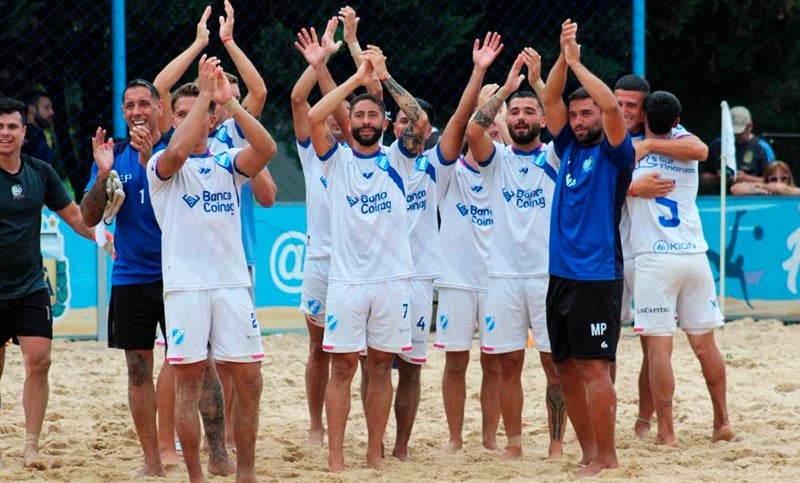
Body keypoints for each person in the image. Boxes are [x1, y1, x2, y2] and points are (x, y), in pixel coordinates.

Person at [146, 56, 277, 483]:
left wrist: (230, 104)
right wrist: (203, 97)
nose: (190, 118)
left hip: (231, 284)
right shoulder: (162, 164)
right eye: (181, 113)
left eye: (198, 111)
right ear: (173, 120)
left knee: (249, 379)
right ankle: (196, 476)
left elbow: (267, 151)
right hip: (186, 288)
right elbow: (178, 150)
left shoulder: (227, 161)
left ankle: (246, 472)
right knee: (189, 382)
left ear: (213, 118)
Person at [305, 49, 427, 472]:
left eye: (374, 115)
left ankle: (375, 452)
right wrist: (356, 81)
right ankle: (336, 456)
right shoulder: (335, 160)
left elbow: (421, 122)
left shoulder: (399, 159)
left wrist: (385, 78)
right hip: (347, 282)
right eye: (359, 115)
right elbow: (314, 116)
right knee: (342, 368)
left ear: (385, 123)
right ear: (349, 122)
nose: (367, 121)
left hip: (393, 281)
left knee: (380, 368)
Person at [538, 19, 635, 477]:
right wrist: (563, 57)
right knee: (564, 368)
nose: (579, 121)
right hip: (560, 273)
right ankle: (589, 451)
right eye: (575, 115)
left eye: (586, 114)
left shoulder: (616, 153)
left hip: (597, 275)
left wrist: (578, 64)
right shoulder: (569, 146)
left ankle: (608, 456)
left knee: (595, 370)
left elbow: (612, 105)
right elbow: (550, 99)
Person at [466, 47, 565, 460]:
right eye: (515, 112)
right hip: (502, 277)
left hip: (546, 276)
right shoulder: (497, 160)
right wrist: (505, 90)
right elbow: (473, 132)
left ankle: (556, 444)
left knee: (554, 365)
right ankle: (514, 443)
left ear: (541, 120)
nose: (521, 118)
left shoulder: (555, 156)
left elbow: (562, 120)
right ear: (506, 120)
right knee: (507, 366)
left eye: (530, 112)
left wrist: (539, 84)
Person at [80, 78, 177, 476]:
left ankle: (215, 454)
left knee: (195, 365)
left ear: (159, 108)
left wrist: (151, 160)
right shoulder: (112, 155)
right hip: (131, 277)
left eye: (144, 103)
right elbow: (89, 217)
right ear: (122, 111)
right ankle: (152, 460)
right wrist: (103, 175)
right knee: (138, 369)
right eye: (129, 105)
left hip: (178, 275)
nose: (137, 111)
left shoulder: (176, 150)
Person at [628, 90, 734, 446]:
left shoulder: (633, 150)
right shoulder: (683, 145)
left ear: (643, 117)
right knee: (705, 345)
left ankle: (667, 432)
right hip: (693, 255)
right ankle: (722, 422)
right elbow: (701, 150)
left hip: (654, 258)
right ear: (676, 121)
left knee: (659, 349)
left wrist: (645, 149)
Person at [613, 73, 710, 437]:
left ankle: (644, 420)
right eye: (618, 103)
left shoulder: (667, 136)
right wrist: (632, 188)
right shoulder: (609, 134)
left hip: (646, 254)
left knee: (651, 344)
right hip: (615, 251)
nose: (623, 111)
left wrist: (650, 145)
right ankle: (605, 418)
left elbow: (701, 150)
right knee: (606, 344)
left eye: (631, 105)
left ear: (645, 111)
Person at [0, 97, 94, 470]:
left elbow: (75, 216)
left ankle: (31, 446)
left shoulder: (40, 172)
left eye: (12, 126)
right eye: (0, 126)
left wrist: (106, 238)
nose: (5, 133)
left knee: (40, 361)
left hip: (30, 286)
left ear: (24, 132)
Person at [431, 34, 503, 454]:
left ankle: (489, 438)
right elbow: (460, 123)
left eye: (494, 131)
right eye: (484, 129)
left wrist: (499, 106)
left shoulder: (508, 169)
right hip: (457, 281)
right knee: (455, 362)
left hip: (497, 281)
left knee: (495, 364)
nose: (486, 137)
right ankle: (455, 438)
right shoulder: (450, 172)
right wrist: (480, 82)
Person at [291, 17, 353, 447]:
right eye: (324, 115)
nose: (330, 120)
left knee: (357, 355)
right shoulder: (311, 154)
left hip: (356, 263)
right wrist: (318, 63)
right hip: (319, 260)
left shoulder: (356, 153)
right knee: (318, 349)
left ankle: (351, 426)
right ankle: (316, 425)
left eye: (336, 115)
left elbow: (346, 115)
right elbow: (298, 99)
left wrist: (329, 69)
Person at [700, 105, 775, 194]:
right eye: (732, 133)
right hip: (718, 198)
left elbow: (775, 182)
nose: (735, 136)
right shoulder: (717, 145)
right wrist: (718, 178)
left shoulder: (762, 148)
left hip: (753, 199)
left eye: (739, 132)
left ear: (750, 126)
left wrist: (746, 178)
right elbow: (701, 179)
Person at [21, 91, 56, 166]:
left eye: (51, 108)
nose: (52, 112)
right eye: (46, 107)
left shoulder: (40, 133)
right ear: (32, 109)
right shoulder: (24, 133)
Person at [730, 160, 800, 195]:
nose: (778, 182)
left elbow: (778, 187)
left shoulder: (795, 193)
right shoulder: (763, 191)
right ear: (767, 179)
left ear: (789, 179)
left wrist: (785, 190)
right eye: (773, 179)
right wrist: (761, 189)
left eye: (784, 178)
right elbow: (735, 189)